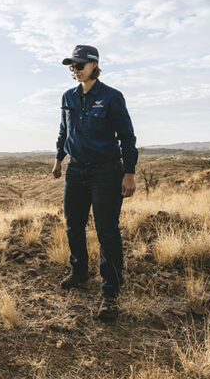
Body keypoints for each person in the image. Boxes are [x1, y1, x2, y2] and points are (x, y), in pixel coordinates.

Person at [52, 45, 137, 322]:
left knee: (107, 232)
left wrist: (129, 172)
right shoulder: (68, 96)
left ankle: (110, 293)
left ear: (94, 65)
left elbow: (126, 136)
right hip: (76, 171)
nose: (74, 70)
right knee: (73, 225)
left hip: (106, 173)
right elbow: (64, 130)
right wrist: (58, 159)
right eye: (71, 66)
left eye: (79, 65)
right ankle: (79, 272)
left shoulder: (111, 97)